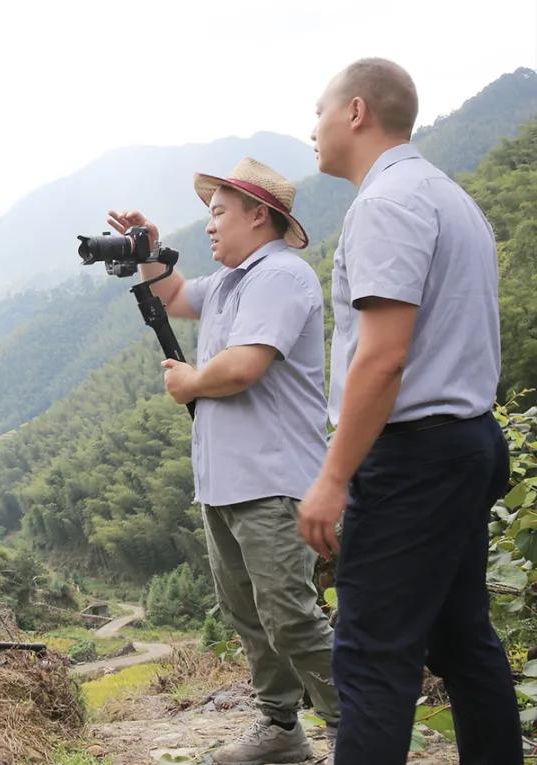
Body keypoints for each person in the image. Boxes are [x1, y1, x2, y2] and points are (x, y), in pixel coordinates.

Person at [300, 57, 522, 764]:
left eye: (319, 111)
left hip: (413, 455)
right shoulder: (451, 198)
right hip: (467, 441)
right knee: (462, 638)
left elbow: (383, 354)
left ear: (357, 112)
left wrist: (335, 476)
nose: (313, 128)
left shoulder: (385, 204)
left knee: (370, 653)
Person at [109, 157, 339, 764]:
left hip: (274, 479)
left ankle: (360, 729)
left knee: (290, 616)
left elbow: (242, 368)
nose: (209, 227)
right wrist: (149, 249)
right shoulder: (234, 282)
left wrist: (188, 383)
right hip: (226, 483)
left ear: (259, 214)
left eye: (218, 213)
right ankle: (281, 731)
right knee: (250, 617)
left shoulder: (281, 277)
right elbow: (176, 295)